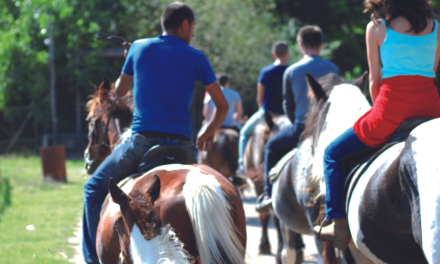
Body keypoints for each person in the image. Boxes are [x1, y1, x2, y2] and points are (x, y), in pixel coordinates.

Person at [81, 3, 228, 263]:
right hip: (183, 146)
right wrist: (210, 128)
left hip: (142, 143)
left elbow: (118, 89)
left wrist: (132, 62)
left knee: (92, 189)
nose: (193, 33)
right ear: (184, 24)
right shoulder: (196, 56)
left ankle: (93, 259)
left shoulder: (139, 47)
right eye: (193, 27)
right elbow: (222, 106)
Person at [315, 0, 440, 250]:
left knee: (331, 154)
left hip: (391, 111)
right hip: (430, 109)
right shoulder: (436, 28)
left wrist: (377, 110)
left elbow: (374, 80)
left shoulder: (377, 28)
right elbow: (431, 71)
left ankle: (336, 221)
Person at [256, 26, 340, 212]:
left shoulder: (292, 71)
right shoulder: (333, 68)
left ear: (300, 46)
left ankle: (268, 194)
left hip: (301, 128)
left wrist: (297, 123)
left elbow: (289, 106)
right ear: (321, 45)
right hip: (328, 128)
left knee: (270, 146)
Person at [237, 41, 289, 174]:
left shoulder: (265, 72)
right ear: (287, 54)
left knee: (244, 133)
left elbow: (259, 98)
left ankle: (242, 166)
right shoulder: (291, 71)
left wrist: (263, 111)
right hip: (286, 114)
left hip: (268, 113)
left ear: (273, 54)